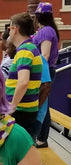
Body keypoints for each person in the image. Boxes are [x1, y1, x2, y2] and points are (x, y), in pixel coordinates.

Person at [5, 12, 42, 136]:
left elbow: (23, 81)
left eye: (9, 28)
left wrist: (12, 106)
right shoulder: (30, 48)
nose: (9, 32)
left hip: (21, 111)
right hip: (26, 110)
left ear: (15, 30)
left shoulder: (24, 51)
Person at [32, 2, 60, 148]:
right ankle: (41, 137)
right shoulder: (46, 30)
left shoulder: (47, 31)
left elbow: (45, 55)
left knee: (43, 104)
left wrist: (38, 74)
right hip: (46, 71)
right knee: (44, 104)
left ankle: (42, 138)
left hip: (44, 72)